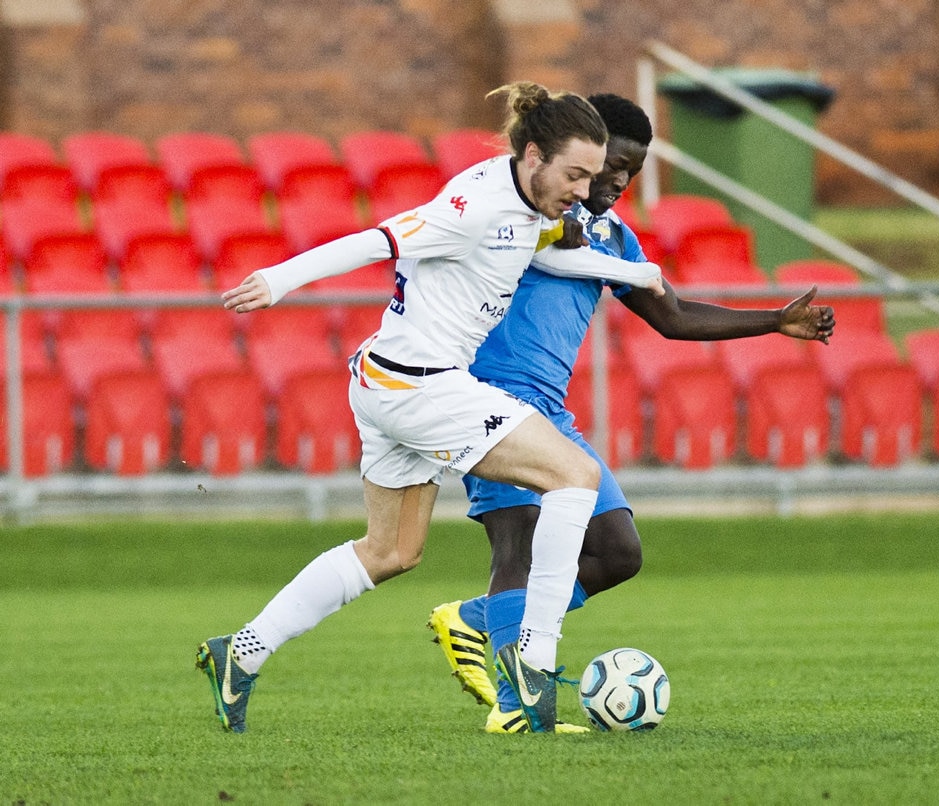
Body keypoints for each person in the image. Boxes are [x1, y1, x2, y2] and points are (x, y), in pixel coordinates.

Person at [196, 81, 668, 734]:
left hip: (387, 381)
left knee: (390, 552)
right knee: (575, 477)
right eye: (577, 175)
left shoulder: (538, 205)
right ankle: (533, 668)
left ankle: (239, 652)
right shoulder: (474, 204)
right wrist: (278, 280)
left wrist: (635, 273)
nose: (585, 193)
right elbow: (376, 240)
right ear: (533, 156)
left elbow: (556, 254)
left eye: (594, 177)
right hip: (418, 385)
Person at [426, 93, 835, 733]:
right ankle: (515, 709)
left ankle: (479, 619)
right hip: (488, 398)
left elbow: (670, 315)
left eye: (631, 172)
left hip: (549, 410)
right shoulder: (526, 215)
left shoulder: (614, 236)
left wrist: (774, 321)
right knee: (521, 542)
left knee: (617, 552)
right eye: (608, 166)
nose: (616, 182)